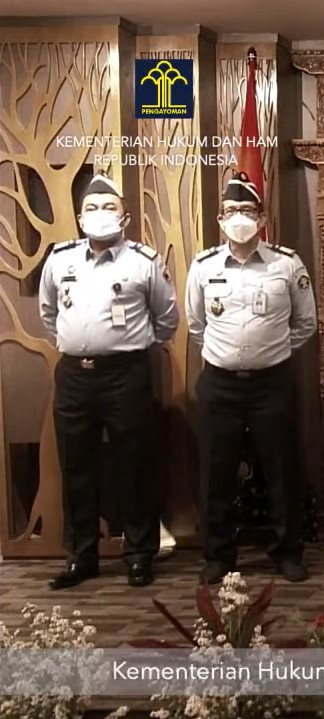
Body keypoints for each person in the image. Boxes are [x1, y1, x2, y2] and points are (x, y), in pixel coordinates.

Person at [38, 172, 179, 589]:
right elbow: (49, 315)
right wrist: (80, 343)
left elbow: (167, 319)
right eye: (92, 207)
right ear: (80, 218)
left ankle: (138, 555)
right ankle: (82, 557)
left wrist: (126, 347)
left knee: (133, 466)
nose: (100, 213)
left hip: (126, 375)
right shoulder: (60, 260)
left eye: (109, 206)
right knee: (76, 466)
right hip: (74, 376)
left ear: (125, 216)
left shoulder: (143, 261)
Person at [187, 172, 317, 585]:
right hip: (220, 383)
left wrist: (268, 351)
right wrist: (230, 354)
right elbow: (196, 324)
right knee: (216, 471)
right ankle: (218, 556)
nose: (239, 217)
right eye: (231, 210)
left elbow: (306, 323)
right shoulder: (203, 266)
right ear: (219, 218)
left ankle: (287, 552)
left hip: (271, 383)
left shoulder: (286, 263)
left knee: (281, 469)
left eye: (247, 210)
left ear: (262, 218)